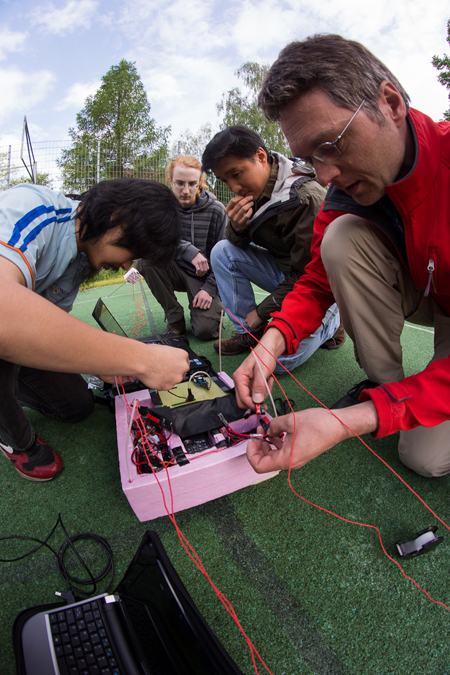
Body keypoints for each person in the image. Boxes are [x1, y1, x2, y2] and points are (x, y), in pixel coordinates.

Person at [233, 34, 450, 478]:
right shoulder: (342, 194)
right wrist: (271, 344)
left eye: (331, 144)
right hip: (432, 292)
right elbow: (315, 282)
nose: (326, 174)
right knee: (341, 238)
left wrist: (351, 421)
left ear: (389, 102)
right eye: (311, 159)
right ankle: (387, 387)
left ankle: (391, 404)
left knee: (425, 460)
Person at [0, 178, 190, 482]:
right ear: (116, 217)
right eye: (132, 251)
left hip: (15, 336)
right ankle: (15, 440)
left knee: (75, 406)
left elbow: (47, 327)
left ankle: (16, 386)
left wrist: (104, 362)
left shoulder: (81, 258)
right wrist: (140, 358)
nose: (128, 263)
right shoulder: (30, 207)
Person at [202, 126, 343, 373]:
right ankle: (246, 333)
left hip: (322, 288)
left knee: (277, 362)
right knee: (222, 250)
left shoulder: (303, 198)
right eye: (225, 180)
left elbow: (308, 276)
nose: (234, 187)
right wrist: (237, 226)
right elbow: (237, 247)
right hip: (285, 275)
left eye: (236, 174)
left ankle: (334, 322)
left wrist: (260, 311)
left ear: (260, 156)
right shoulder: (255, 190)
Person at [136, 155, 226, 340]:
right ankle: (175, 317)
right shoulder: (161, 208)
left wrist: (210, 288)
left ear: (200, 182)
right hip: (173, 269)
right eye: (179, 183)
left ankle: (215, 308)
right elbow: (153, 240)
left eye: (192, 183)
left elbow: (225, 257)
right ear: (170, 180)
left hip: (205, 277)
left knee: (205, 331)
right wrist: (188, 250)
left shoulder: (216, 210)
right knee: (145, 260)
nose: (186, 190)